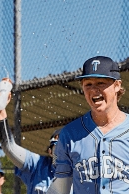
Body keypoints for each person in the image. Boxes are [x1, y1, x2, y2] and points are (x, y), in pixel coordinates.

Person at [47, 56, 128, 194]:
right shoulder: (70, 134)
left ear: (117, 85)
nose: (94, 89)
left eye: (101, 83)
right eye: (88, 84)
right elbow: (60, 187)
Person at [0, 79, 61, 193]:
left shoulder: (82, 173)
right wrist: (0, 112)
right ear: (50, 151)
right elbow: (10, 147)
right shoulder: (38, 165)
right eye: (57, 145)